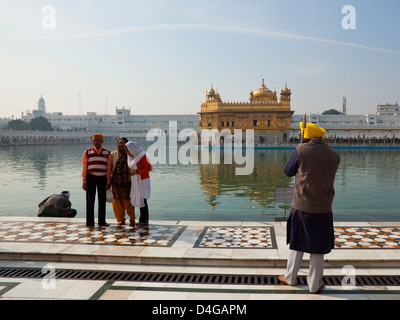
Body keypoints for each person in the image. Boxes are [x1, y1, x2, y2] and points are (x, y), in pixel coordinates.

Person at [278, 122, 340, 294]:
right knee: (318, 248)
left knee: (297, 243)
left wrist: (299, 151)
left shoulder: (301, 150)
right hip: (323, 208)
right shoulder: (334, 154)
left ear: (305, 136)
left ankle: (290, 278)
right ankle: (314, 285)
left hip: (302, 205)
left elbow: (288, 171)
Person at [82, 133, 111, 228]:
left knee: (102, 201)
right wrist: (84, 181)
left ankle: (102, 221)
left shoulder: (107, 153)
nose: (97, 142)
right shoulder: (88, 152)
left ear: (102, 142)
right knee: (90, 201)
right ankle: (90, 223)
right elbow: (85, 167)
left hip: (102, 178)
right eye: (95, 140)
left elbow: (108, 168)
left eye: (99, 140)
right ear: (92, 142)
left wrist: (108, 182)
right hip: (90, 178)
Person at [125, 141, 152, 229]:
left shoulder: (143, 155)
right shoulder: (133, 157)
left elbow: (148, 168)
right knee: (141, 199)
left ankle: (143, 220)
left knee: (143, 199)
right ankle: (143, 219)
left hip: (143, 180)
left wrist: (136, 172)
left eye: (128, 150)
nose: (127, 153)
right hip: (136, 180)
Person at [111, 137, 136, 227]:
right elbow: (110, 169)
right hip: (116, 183)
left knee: (128, 202)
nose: (120, 144)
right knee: (116, 203)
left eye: (122, 143)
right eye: (119, 143)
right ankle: (121, 219)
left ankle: (132, 219)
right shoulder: (113, 154)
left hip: (127, 183)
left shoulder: (131, 155)